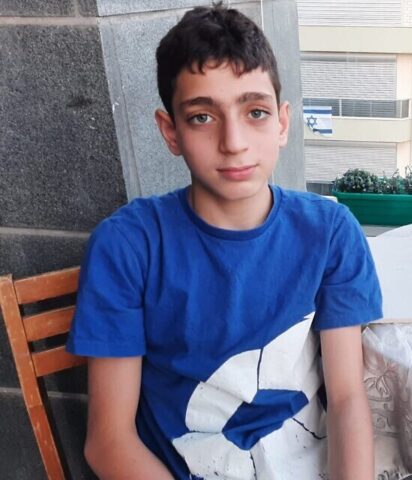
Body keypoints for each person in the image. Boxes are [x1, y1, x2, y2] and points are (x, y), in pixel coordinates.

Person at [65, 5, 382, 479]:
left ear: (282, 123)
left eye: (255, 112)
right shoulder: (128, 246)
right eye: (201, 117)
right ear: (170, 131)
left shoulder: (331, 232)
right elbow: (108, 442)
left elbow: (347, 400)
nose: (233, 141)